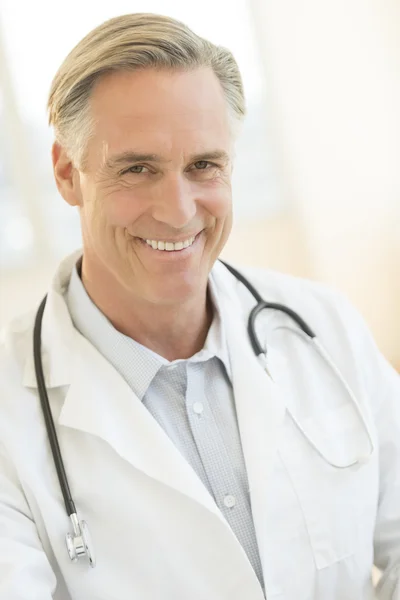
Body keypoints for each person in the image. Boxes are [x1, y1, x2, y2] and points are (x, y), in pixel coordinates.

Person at [0, 12, 399, 600]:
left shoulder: (323, 325)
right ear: (67, 172)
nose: (180, 210)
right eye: (137, 169)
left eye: (203, 166)